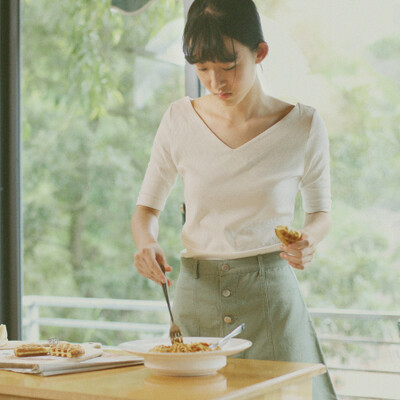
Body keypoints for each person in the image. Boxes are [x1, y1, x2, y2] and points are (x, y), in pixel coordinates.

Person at [131, 0, 337, 398]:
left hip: (271, 302)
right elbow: (146, 210)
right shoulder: (178, 120)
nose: (215, 82)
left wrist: (309, 239)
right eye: (203, 69)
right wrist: (146, 244)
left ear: (259, 52)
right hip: (194, 301)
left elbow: (321, 213)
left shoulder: (303, 126)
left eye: (229, 67)